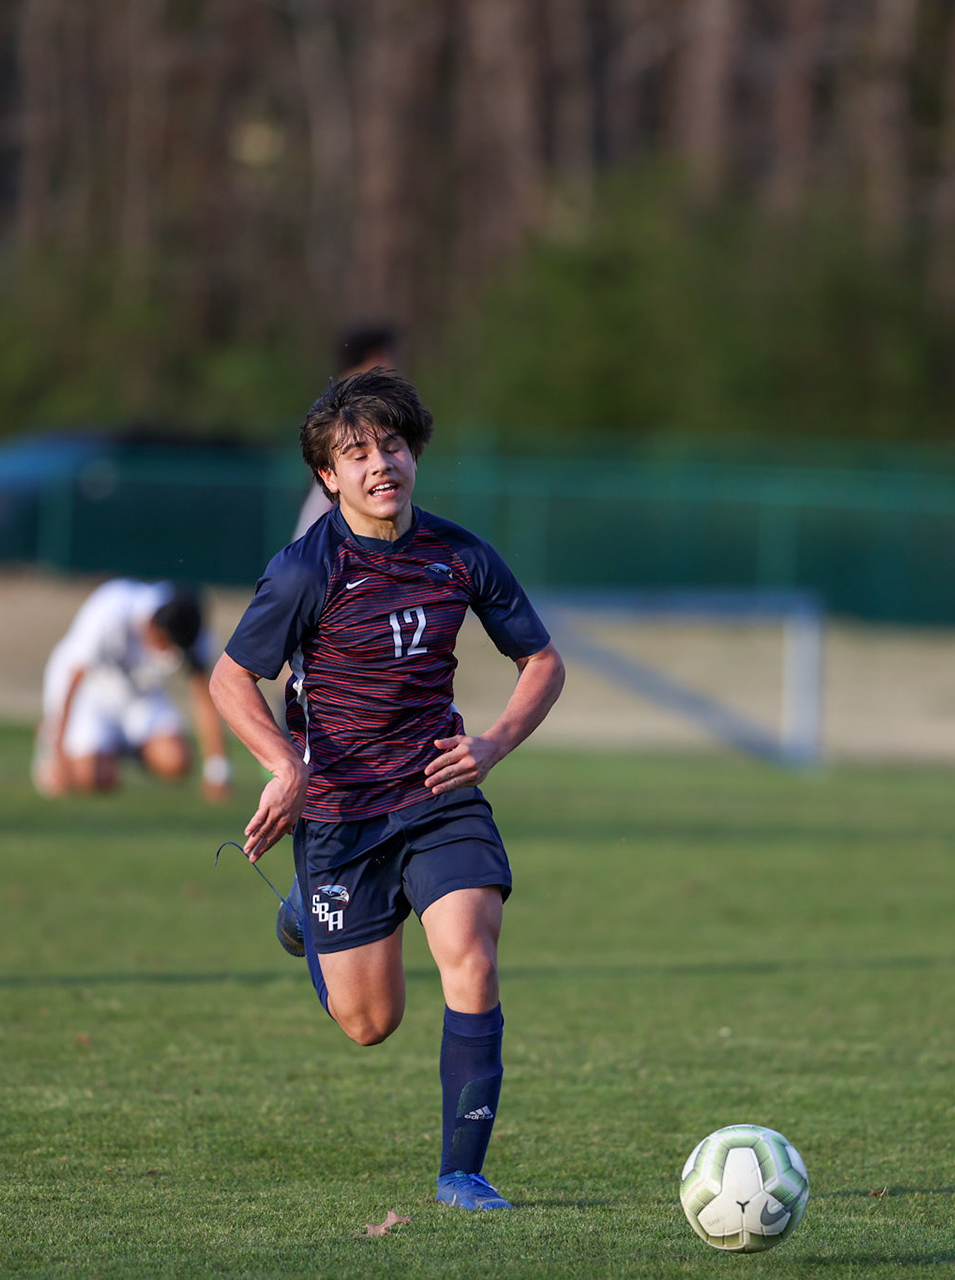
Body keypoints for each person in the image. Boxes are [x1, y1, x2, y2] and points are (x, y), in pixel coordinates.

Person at [209, 368, 565, 1210]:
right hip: (337, 815)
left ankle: (462, 1173)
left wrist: (494, 743)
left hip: (438, 790)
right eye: (357, 453)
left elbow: (542, 661)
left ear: (414, 455)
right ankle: (307, 908)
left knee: (472, 958)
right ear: (328, 477)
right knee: (370, 1024)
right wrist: (285, 766)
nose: (381, 465)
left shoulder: (459, 553)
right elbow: (232, 680)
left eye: (394, 446)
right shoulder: (305, 572)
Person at [34, 580, 231, 801]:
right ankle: (91, 749)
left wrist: (218, 771)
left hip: (140, 697)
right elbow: (72, 679)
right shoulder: (111, 608)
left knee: (176, 762)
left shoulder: (192, 633)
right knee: (90, 777)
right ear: (152, 626)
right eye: (166, 644)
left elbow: (204, 696)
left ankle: (114, 748)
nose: (170, 654)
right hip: (93, 693)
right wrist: (56, 753)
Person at [292, 324, 398, 541]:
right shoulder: (340, 409)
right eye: (384, 359)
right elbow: (317, 507)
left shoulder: (360, 403)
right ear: (372, 358)